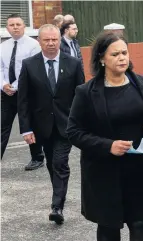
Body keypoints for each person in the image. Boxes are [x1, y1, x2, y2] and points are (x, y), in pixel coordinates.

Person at [66, 32, 143, 241]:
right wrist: (107, 145)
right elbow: (74, 132)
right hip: (105, 172)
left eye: (124, 53)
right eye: (115, 54)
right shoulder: (86, 92)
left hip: (141, 169)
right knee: (109, 228)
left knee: (141, 224)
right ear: (102, 58)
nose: (122, 58)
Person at [17, 24, 85, 224]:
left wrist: (82, 122)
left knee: (59, 162)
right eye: (46, 40)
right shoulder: (29, 65)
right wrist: (26, 128)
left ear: (59, 40)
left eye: (54, 39)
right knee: (51, 164)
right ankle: (59, 194)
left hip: (67, 125)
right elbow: (24, 100)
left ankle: (57, 206)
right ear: (39, 41)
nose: (51, 43)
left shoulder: (72, 63)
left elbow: (81, 95)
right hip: (42, 126)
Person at [1, 14, 45, 170]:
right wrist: (4, 85)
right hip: (6, 94)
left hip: (26, 92)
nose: (15, 27)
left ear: (24, 26)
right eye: (11, 25)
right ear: (7, 28)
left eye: (18, 24)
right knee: (2, 125)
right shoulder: (3, 47)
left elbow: (32, 70)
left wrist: (15, 86)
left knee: (30, 124)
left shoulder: (33, 45)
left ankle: (37, 158)